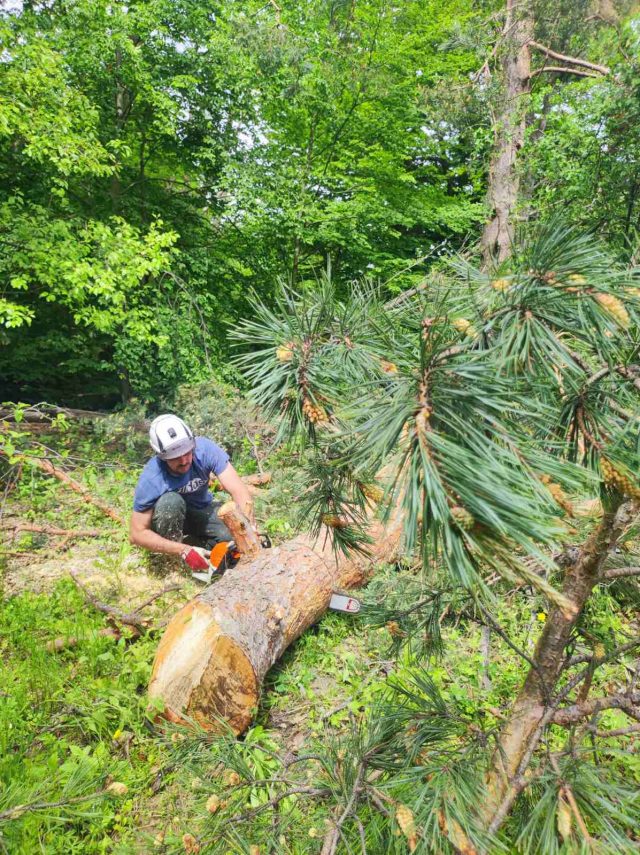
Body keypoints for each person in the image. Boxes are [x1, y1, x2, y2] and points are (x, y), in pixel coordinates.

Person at [129, 414, 254, 577]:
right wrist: (183, 550)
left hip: (201, 510)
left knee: (230, 536)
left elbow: (239, 491)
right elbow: (136, 533)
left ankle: (202, 548)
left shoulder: (206, 450)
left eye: (187, 452)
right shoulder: (152, 478)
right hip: (166, 520)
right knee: (171, 502)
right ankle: (170, 564)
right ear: (161, 456)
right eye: (175, 457)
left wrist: (248, 528)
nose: (183, 460)